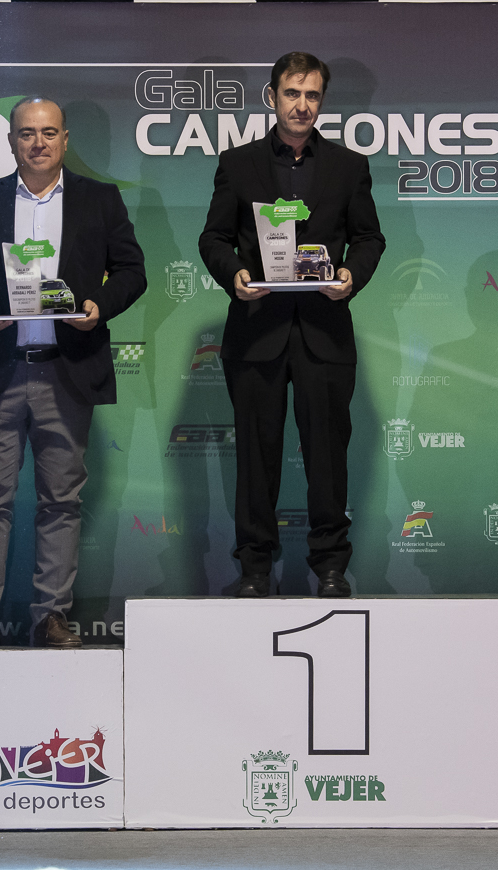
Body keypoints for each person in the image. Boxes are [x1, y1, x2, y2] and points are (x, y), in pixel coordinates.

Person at [0, 96, 146, 648]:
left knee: (61, 502)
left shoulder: (99, 199)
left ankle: (52, 615)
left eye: (49, 132)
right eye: (27, 133)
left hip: (66, 371)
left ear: (66, 139)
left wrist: (99, 305)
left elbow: (132, 270)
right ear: (12, 141)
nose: (38, 142)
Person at [199, 51, 385, 598]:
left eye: (312, 95)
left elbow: (369, 238)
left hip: (324, 332)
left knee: (327, 456)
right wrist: (234, 274)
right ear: (272, 97)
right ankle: (255, 568)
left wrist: (351, 275)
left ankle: (330, 567)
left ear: (321, 101)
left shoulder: (349, 166)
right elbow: (214, 237)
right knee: (256, 457)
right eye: (291, 93)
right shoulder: (238, 164)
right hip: (257, 329)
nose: (302, 105)